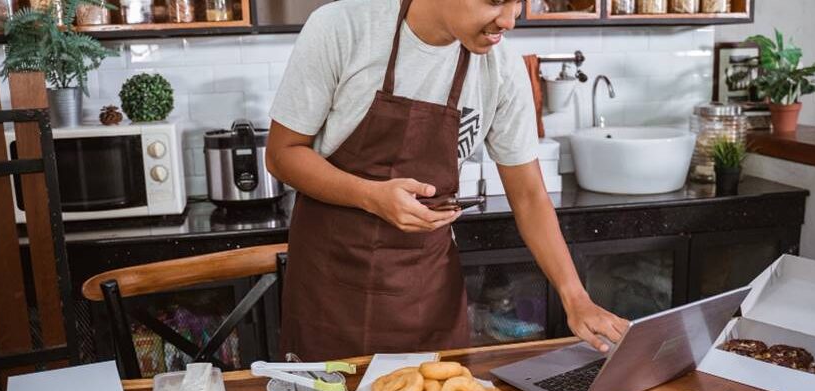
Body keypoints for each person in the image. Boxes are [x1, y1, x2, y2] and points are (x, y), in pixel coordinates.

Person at [266, 0, 628, 361]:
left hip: (424, 295)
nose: (509, 20)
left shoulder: (501, 70)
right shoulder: (342, 28)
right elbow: (282, 154)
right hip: (328, 292)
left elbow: (530, 196)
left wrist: (576, 298)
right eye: (495, 1)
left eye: (519, 2)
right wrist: (370, 195)